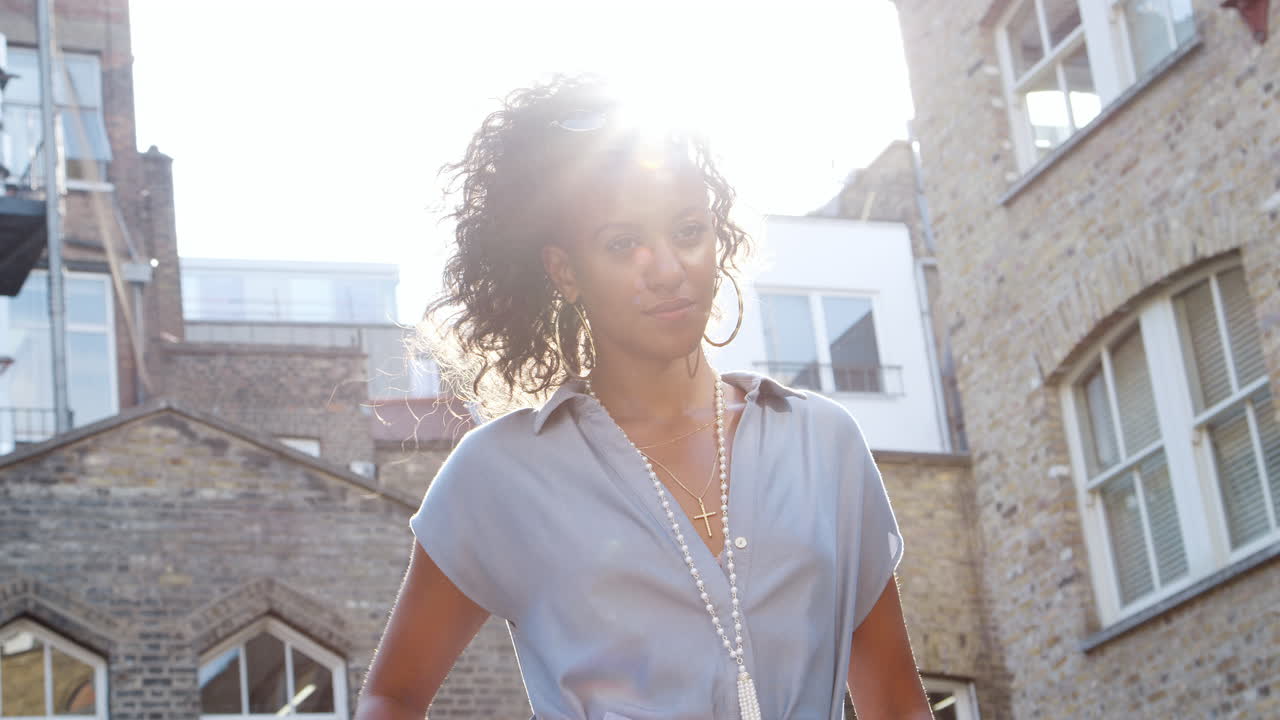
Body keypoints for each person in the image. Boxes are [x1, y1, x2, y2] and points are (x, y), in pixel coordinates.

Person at [356, 75, 933, 720]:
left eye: (688, 231)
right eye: (624, 244)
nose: (666, 267)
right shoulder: (500, 472)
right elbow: (393, 695)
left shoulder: (823, 442)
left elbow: (898, 704)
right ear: (566, 271)